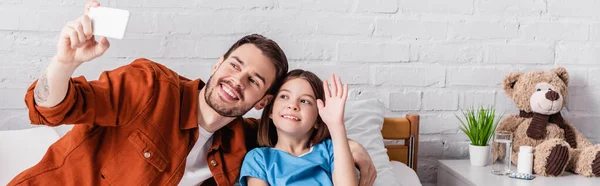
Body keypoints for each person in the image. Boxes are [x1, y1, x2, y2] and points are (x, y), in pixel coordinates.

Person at [8, 1, 377, 186]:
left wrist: (346, 143)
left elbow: (296, 141)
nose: (238, 81)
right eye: (235, 65)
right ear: (218, 64)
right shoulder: (149, 86)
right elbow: (51, 109)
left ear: (262, 102)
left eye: (254, 81)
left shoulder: (246, 143)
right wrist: (63, 64)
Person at [240, 71, 357, 186]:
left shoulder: (330, 150)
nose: (293, 105)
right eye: (284, 96)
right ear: (271, 111)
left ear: (318, 119)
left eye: (304, 101)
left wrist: (336, 126)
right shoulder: (258, 158)